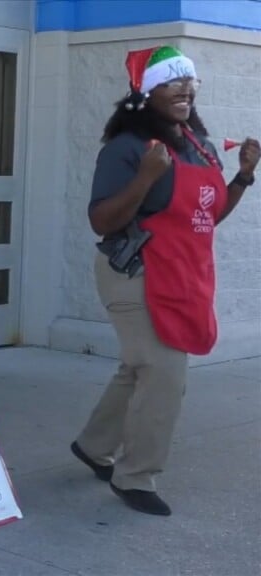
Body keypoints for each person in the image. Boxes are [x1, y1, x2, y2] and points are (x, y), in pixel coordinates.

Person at [70, 46, 259, 517]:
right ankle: (135, 476)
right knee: (164, 371)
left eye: (189, 82)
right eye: (172, 82)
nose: (185, 90)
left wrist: (243, 178)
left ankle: (95, 446)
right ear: (146, 92)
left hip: (183, 272)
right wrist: (145, 178)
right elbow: (101, 219)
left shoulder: (199, 145)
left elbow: (207, 215)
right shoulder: (129, 148)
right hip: (135, 272)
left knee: (139, 366)